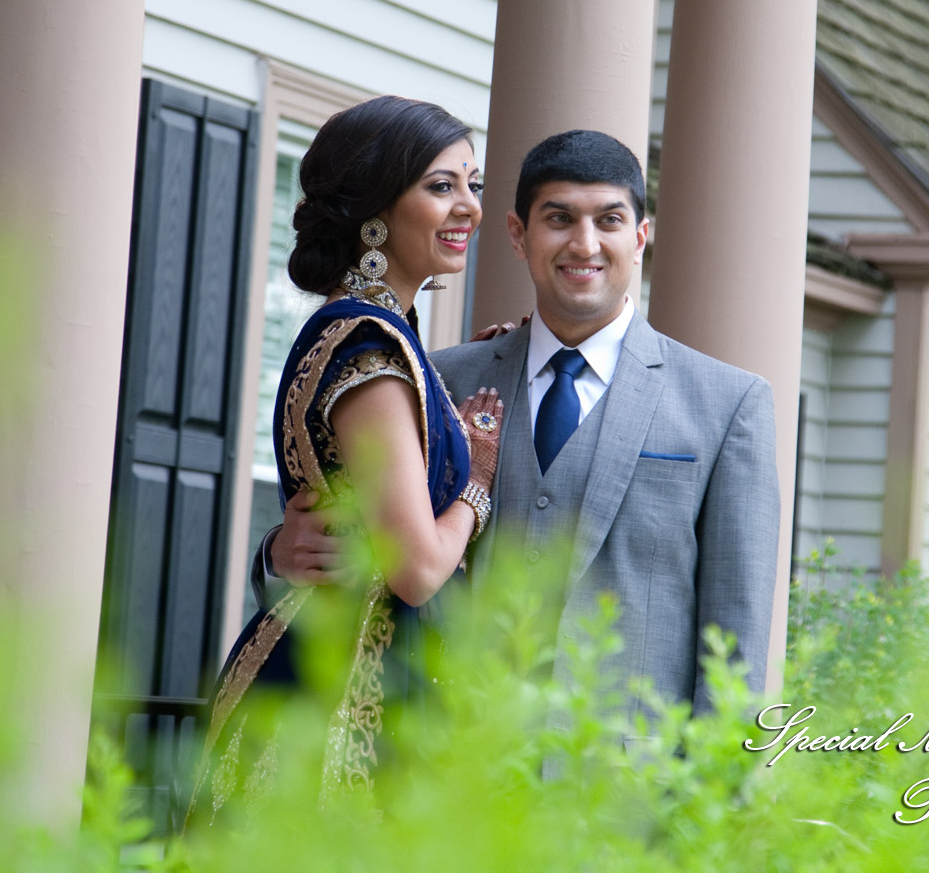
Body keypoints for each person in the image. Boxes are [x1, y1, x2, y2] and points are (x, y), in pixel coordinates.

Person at [268, 130, 781, 718]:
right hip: (449, 759)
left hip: (627, 769)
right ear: (518, 234)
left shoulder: (728, 404)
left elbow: (736, 637)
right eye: (559, 219)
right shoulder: (438, 381)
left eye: (609, 220)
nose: (584, 243)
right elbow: (375, 542)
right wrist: (279, 554)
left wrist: (721, 772)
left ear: (639, 237)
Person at [185, 96, 503, 826]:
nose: (469, 207)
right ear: (375, 211)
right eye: (441, 186)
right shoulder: (370, 349)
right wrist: (478, 482)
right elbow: (416, 569)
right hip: (347, 689)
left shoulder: (378, 339)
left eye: (473, 184)